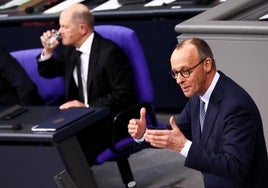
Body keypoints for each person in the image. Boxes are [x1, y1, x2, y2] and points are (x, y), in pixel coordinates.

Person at [128, 38, 268, 187]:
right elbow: (174, 134)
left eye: (185, 71)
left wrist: (184, 146)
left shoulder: (236, 106)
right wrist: (144, 133)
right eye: (175, 73)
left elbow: (235, 168)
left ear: (207, 65)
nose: (179, 80)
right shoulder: (198, 97)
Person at [37, 4, 135, 164]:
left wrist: (87, 105)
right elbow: (48, 72)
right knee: (49, 143)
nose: (59, 32)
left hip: (108, 121)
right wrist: (48, 51)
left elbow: (123, 94)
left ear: (82, 28)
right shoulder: (71, 51)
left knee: (67, 150)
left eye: (64, 27)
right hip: (81, 119)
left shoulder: (110, 53)